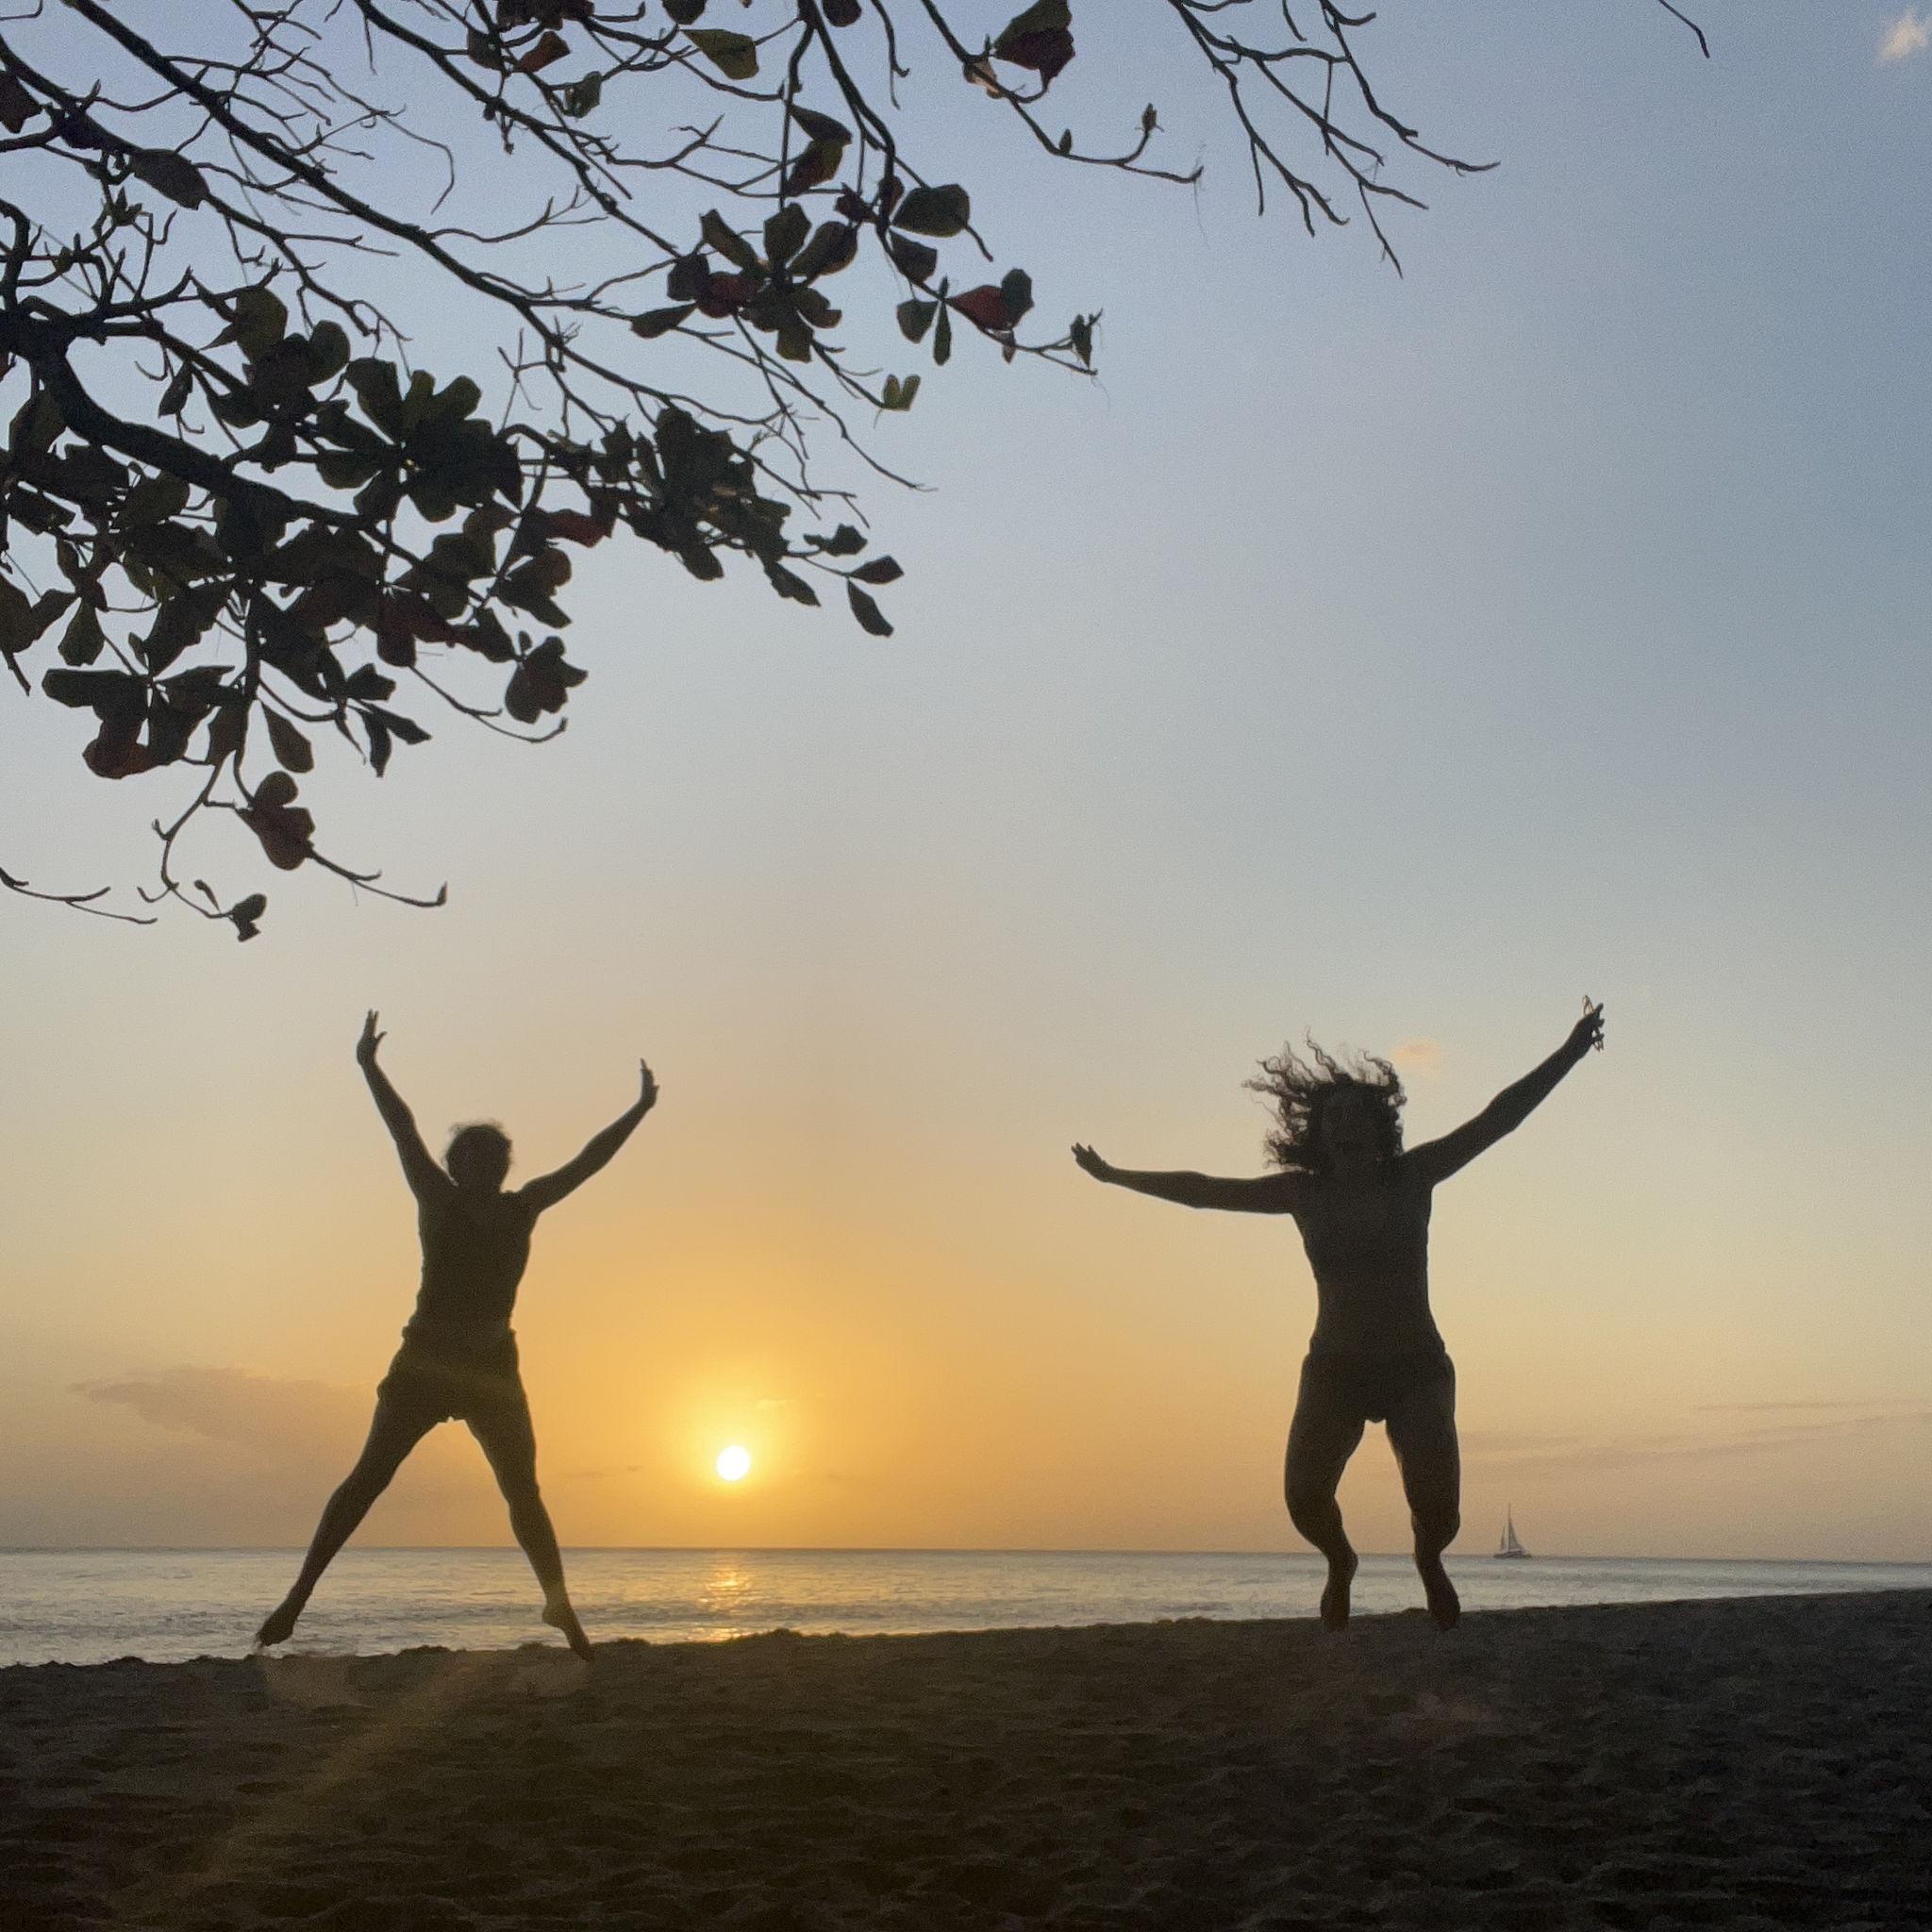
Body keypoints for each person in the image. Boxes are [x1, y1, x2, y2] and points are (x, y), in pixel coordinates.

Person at [1073, 1002, 1604, 1631]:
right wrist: (1115, 1176)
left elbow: (1498, 1118)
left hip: (1416, 1367)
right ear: (1319, 1134)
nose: (1346, 1123)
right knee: (1304, 1498)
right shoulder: (1303, 1193)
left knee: (1439, 1509)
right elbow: (1205, 1190)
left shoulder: (1413, 1176)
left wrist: (1570, 1052)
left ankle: (1428, 1557)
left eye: (1358, 1113)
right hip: (1336, 1370)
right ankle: (1340, 1559)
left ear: (1379, 1127)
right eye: (1334, 1116)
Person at [256, 1012, 658, 1658]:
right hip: (426, 1359)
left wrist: (638, 1110)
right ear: (454, 1164)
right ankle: (296, 1599)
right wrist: (369, 1066)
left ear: (504, 1164)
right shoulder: (436, 1199)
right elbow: (402, 1127)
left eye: (493, 1155)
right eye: (470, 1155)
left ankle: (559, 1605)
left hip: (492, 1364)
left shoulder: (522, 1207)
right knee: (367, 1480)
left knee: (522, 1491)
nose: (483, 1163)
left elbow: (588, 1162)